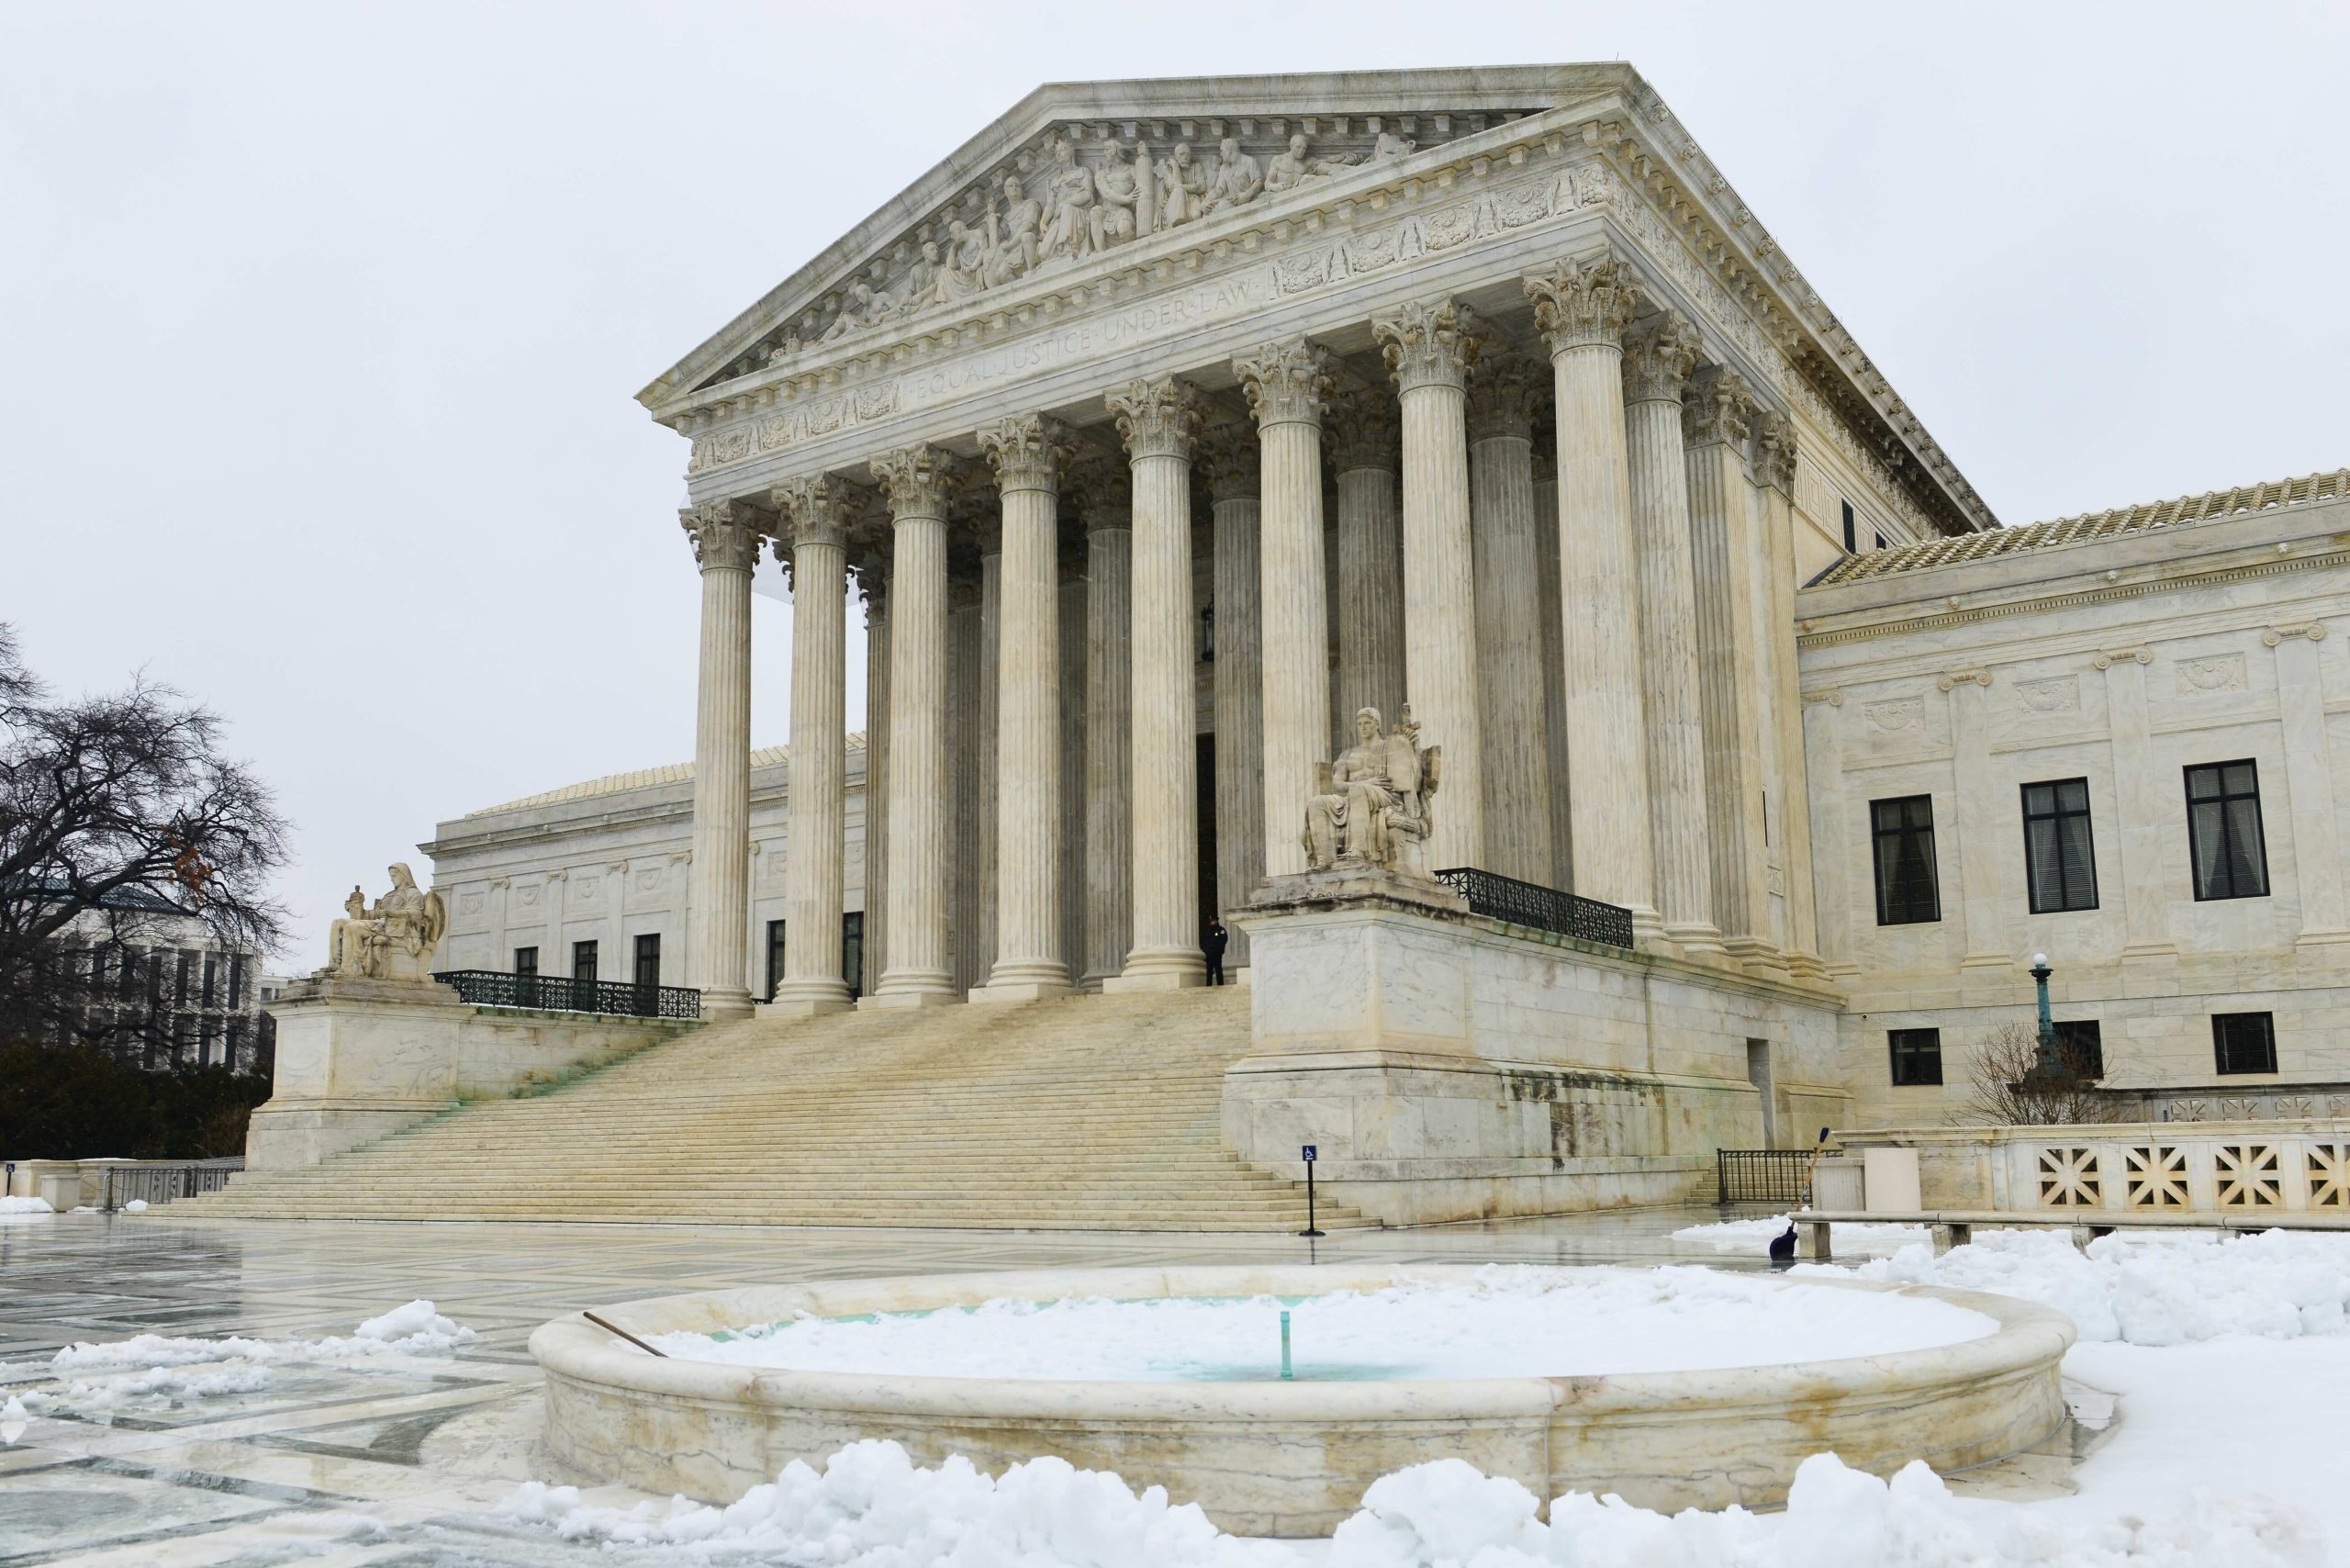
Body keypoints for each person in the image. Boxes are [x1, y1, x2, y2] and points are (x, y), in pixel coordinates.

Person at [1203, 919, 1229, 986]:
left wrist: (1219, 948)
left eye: (1213, 921)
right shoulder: (1208, 930)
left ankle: (1220, 984)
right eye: (1211, 921)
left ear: (1217, 921)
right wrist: (1206, 949)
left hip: (1217, 953)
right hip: (1209, 953)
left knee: (1218, 969)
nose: (1212, 922)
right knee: (1209, 970)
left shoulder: (1221, 930)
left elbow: (1224, 939)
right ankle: (1208, 984)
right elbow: (1204, 941)